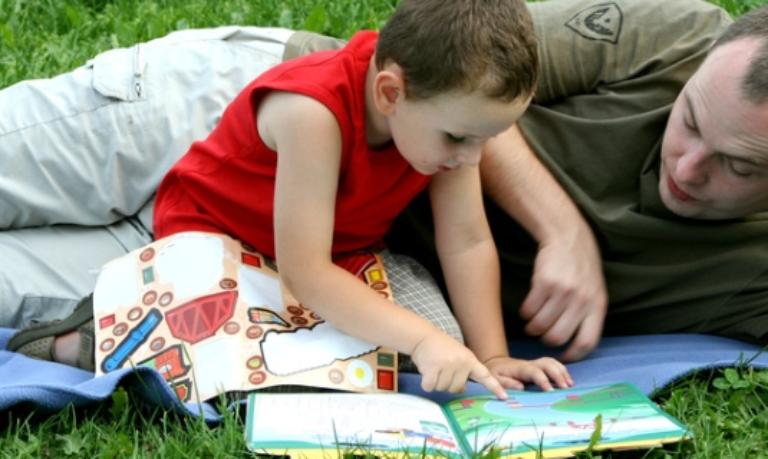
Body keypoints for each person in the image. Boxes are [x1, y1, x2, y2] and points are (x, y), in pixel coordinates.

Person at [0, 0, 764, 361]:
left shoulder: (451, 145)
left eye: (741, 166)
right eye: (691, 119)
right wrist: (558, 227)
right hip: (221, 112)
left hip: (234, 262)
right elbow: (468, 73)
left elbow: (465, 233)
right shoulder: (667, 35)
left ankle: (71, 337)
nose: (689, 167)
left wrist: (489, 355)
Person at [5, 0, 573, 396]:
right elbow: (305, 273)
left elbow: (468, 241)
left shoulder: (444, 126)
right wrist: (418, 340)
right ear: (390, 92)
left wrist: (491, 355)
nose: (472, 158)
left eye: (485, 140)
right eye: (458, 138)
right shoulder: (314, 112)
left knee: (449, 352)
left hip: (328, 256)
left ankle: (266, 337)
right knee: (229, 345)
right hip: (213, 247)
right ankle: (82, 337)